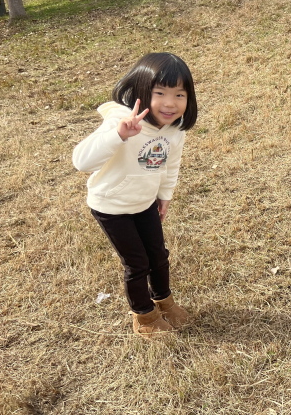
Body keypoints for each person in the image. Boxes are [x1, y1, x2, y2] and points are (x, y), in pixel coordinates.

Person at [73, 53, 198, 339]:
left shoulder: (174, 131)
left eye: (180, 94)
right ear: (142, 90)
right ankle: (144, 316)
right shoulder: (121, 121)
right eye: (160, 93)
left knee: (158, 255)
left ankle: (164, 301)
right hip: (111, 205)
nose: (170, 102)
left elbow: (170, 164)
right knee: (137, 263)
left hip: (145, 203)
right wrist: (118, 134)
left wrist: (165, 194)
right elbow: (81, 162)